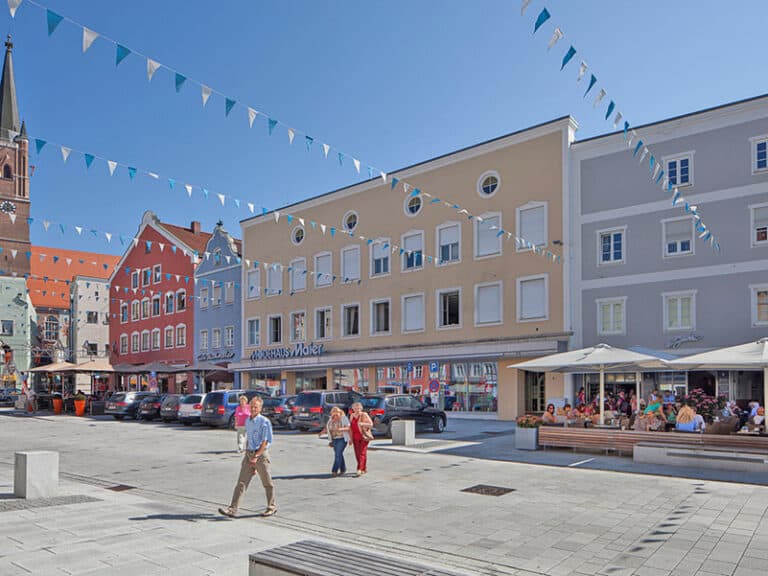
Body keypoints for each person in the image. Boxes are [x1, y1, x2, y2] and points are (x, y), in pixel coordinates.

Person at [219, 396, 277, 518]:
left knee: (267, 483)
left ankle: (271, 507)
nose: (253, 409)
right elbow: (249, 439)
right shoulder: (248, 421)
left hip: (260, 455)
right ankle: (232, 509)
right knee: (241, 483)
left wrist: (256, 456)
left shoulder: (264, 422)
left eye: (256, 407)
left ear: (260, 408)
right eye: (251, 406)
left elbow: (265, 441)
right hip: (249, 454)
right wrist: (248, 454)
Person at [320, 406, 351, 477]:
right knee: (339, 454)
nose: (335, 414)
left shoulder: (343, 418)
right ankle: (343, 469)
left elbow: (349, 428)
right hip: (334, 439)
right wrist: (322, 432)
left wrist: (341, 429)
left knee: (338, 454)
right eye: (333, 412)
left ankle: (334, 470)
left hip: (342, 439)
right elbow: (327, 428)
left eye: (337, 412)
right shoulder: (331, 419)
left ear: (340, 412)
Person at [348, 402, 373, 476]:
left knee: (362, 453)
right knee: (357, 453)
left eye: (358, 408)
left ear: (361, 408)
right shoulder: (352, 415)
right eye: (355, 408)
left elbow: (371, 424)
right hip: (355, 437)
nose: (357, 409)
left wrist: (362, 424)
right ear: (353, 409)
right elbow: (351, 428)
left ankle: (359, 469)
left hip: (363, 436)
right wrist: (350, 439)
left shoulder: (364, 414)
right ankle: (363, 468)